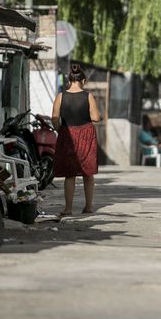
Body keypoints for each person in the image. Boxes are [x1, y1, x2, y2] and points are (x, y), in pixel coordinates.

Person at [51, 64, 101, 215]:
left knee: (70, 173)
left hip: (68, 134)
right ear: (83, 81)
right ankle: (89, 206)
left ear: (69, 80)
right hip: (86, 135)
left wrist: (61, 130)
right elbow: (96, 118)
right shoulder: (88, 96)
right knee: (88, 172)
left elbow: (54, 118)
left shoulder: (61, 96)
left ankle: (68, 208)